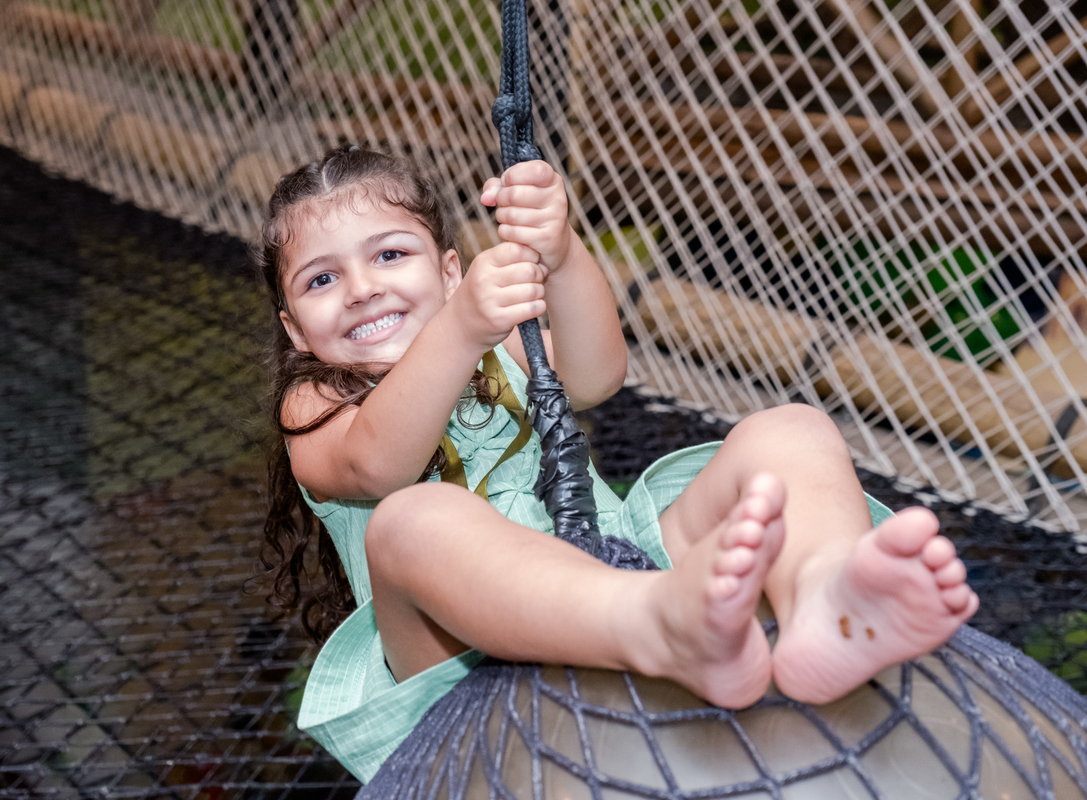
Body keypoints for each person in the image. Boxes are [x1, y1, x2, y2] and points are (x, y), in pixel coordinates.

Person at [256, 145, 978, 782]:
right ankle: (660, 626)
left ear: (450, 273)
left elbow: (596, 373)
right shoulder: (315, 404)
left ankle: (827, 598)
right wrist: (461, 327)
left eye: (389, 255)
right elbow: (377, 463)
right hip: (458, 659)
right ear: (295, 328)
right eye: (321, 280)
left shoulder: (498, 352)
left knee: (791, 430)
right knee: (413, 519)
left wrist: (562, 252)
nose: (362, 288)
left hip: (616, 559)